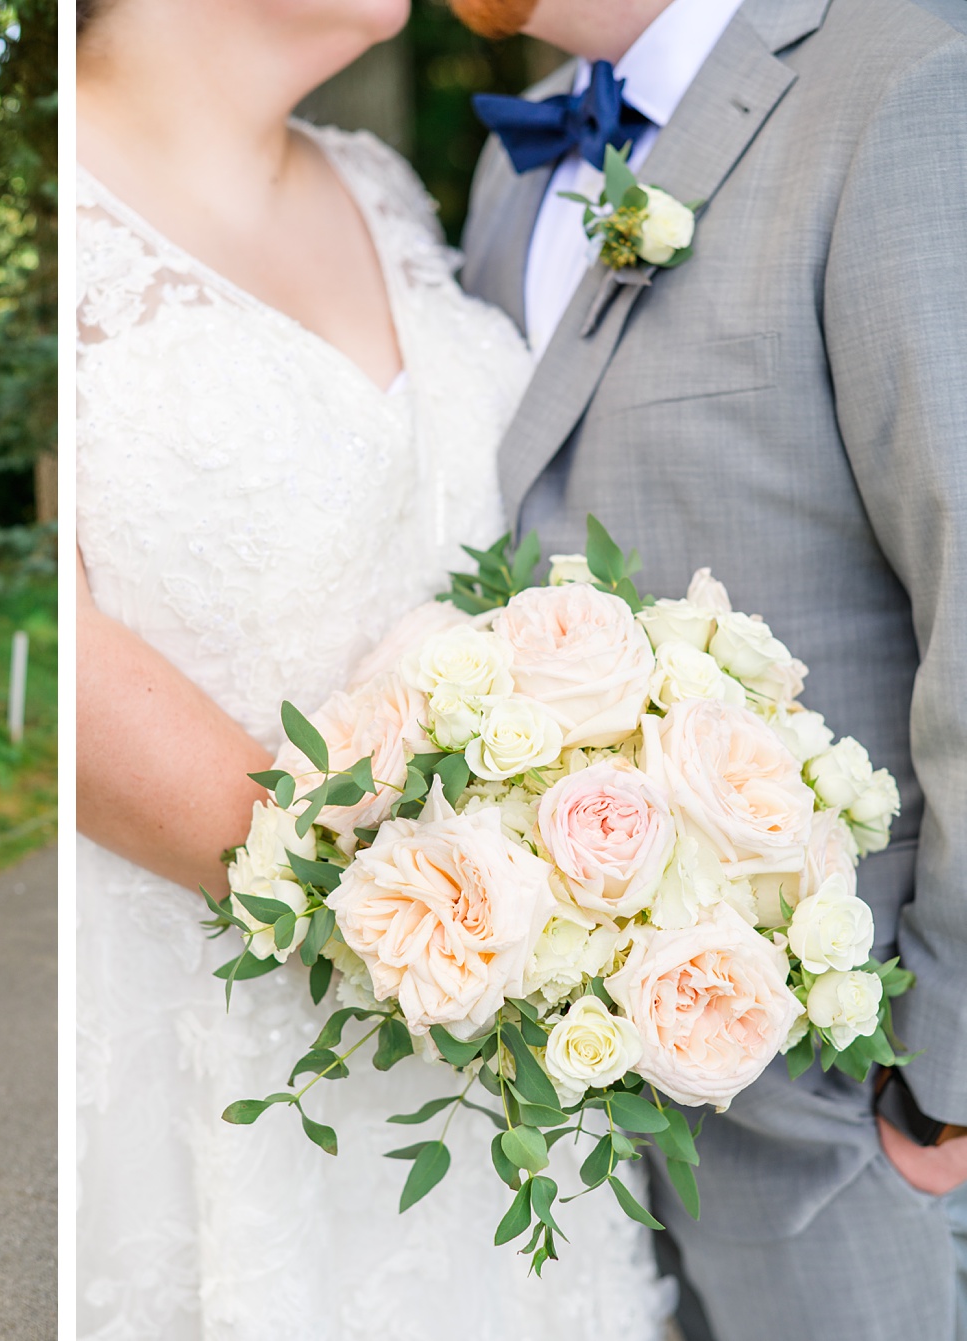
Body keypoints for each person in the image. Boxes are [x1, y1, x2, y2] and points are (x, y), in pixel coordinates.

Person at [74, 1, 673, 1336]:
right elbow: (67, 659)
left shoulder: (387, 182)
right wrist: (430, 917)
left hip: (497, 1054)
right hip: (217, 1023)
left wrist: (564, 898)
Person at [454, 0, 967, 1336]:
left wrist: (950, 1074)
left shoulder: (910, 83)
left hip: (855, 1119)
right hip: (572, 1138)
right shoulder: (512, 168)